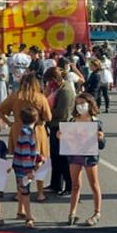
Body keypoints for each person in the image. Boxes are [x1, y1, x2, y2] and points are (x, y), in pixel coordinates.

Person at [0, 73, 51, 202]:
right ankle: (40, 192)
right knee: (40, 160)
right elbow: (48, 117)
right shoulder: (40, 97)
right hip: (37, 130)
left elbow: (0, 110)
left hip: (18, 130)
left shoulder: (15, 96)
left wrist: (9, 122)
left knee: (20, 161)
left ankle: (20, 192)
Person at [61, 92, 104, 226]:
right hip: (75, 155)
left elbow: (102, 145)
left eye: (83, 103)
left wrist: (101, 138)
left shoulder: (96, 122)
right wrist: (61, 136)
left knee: (94, 184)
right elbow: (67, 140)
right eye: (78, 104)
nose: (80, 106)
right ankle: (72, 212)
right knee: (75, 185)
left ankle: (97, 212)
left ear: (90, 104)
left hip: (89, 156)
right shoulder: (73, 121)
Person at [44, 67, 76, 198]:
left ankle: (69, 186)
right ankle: (55, 183)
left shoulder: (66, 90)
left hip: (63, 127)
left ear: (56, 78)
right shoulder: (57, 89)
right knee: (55, 157)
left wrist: (47, 112)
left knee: (64, 159)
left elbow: (62, 113)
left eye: (50, 80)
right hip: (54, 126)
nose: (49, 83)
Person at [11, 106, 44, 227]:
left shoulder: (25, 131)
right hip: (23, 166)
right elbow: (26, 153)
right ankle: (28, 216)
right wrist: (29, 170)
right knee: (25, 191)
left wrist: (38, 157)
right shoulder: (28, 133)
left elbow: (30, 150)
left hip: (19, 164)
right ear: (36, 119)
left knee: (21, 188)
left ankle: (21, 211)